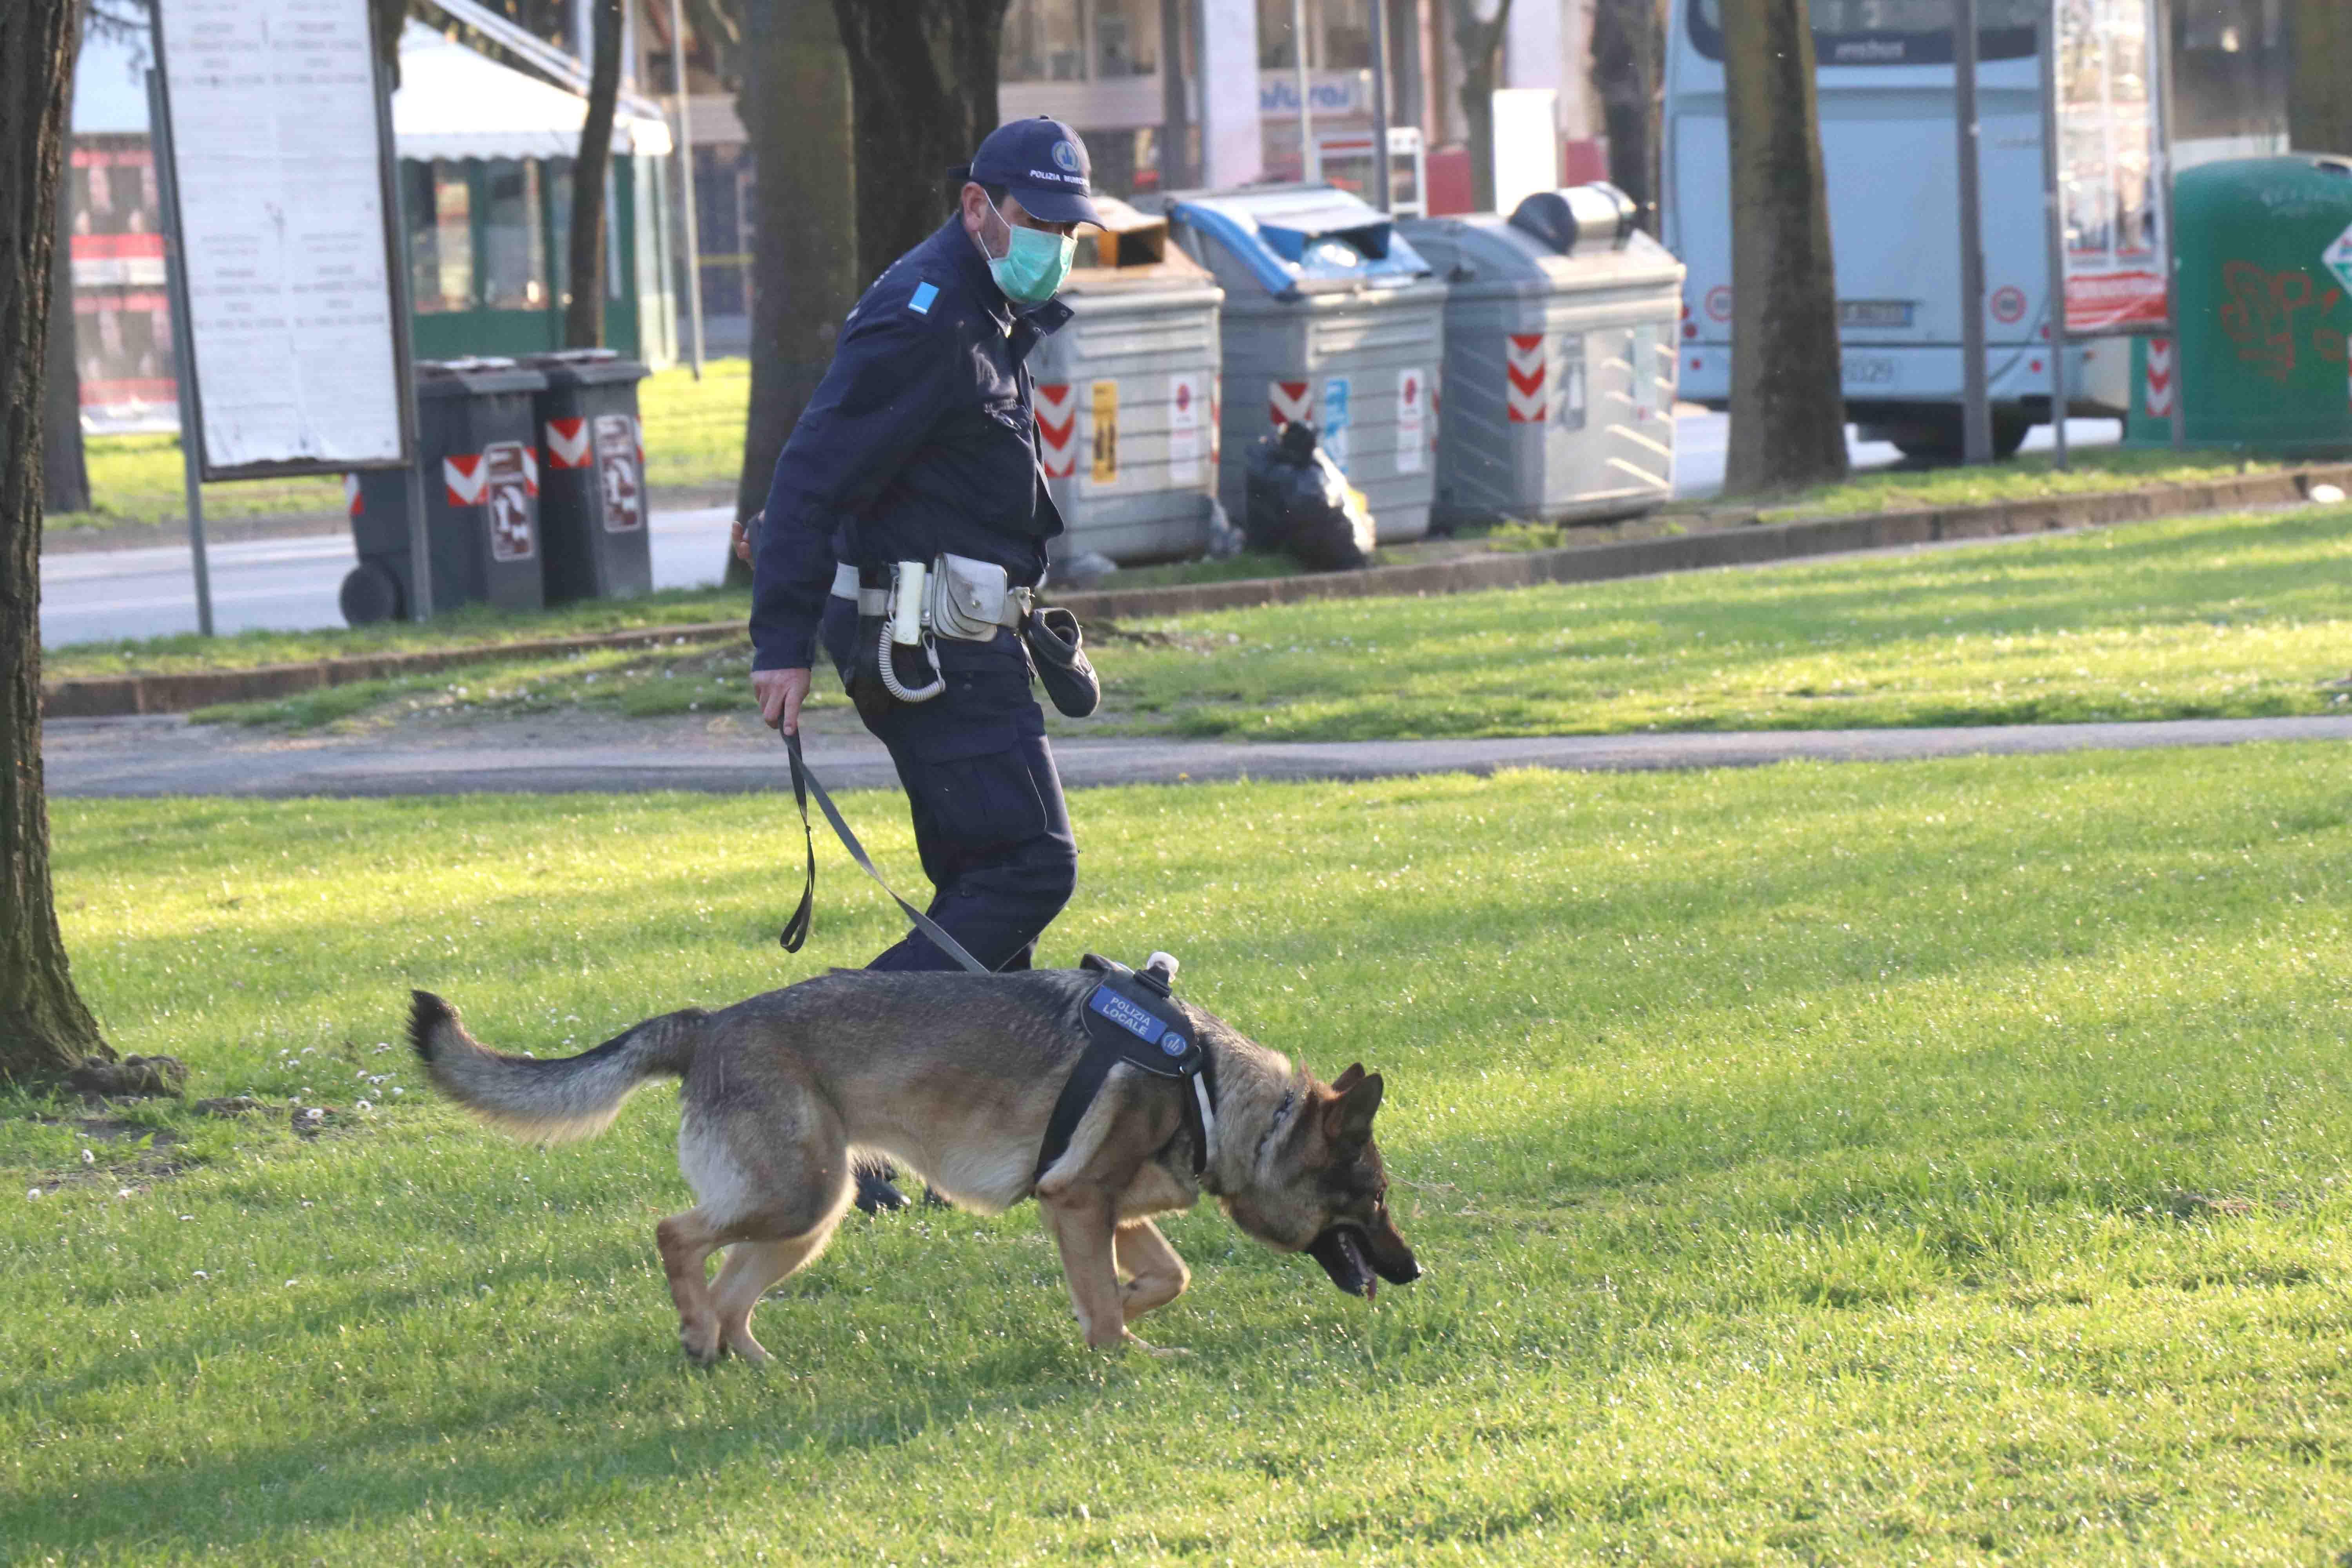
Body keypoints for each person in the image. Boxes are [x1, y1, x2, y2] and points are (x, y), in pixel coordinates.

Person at [744, 118, 1102, 1212]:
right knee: (1029, 869)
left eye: (1067, 230)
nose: (1055, 245)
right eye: (1038, 223)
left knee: (981, 896)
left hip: (959, 634)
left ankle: (965, 1135)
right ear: (978, 208)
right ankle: (832, 1083)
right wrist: (782, 644)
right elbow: (809, 477)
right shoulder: (927, 316)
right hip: (926, 646)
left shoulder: (986, 306)